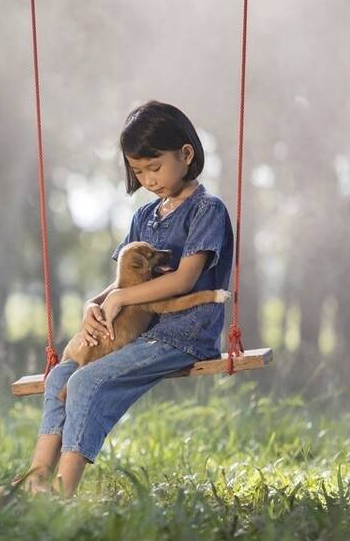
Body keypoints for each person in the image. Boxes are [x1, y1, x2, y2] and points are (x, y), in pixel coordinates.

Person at [17, 100, 235, 498]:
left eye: (155, 167)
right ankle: (35, 479)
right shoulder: (145, 217)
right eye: (138, 171)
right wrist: (96, 302)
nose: (148, 179)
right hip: (138, 335)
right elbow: (121, 280)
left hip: (183, 335)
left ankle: (63, 493)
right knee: (62, 376)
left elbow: (185, 279)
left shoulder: (207, 210)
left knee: (85, 382)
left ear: (186, 154)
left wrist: (121, 299)